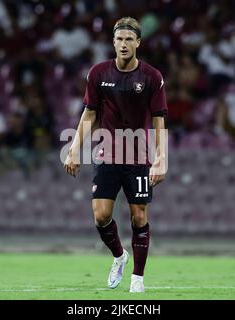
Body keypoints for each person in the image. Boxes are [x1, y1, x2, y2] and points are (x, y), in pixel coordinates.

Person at [64, 17, 168, 293]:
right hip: (107, 152)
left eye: (129, 39)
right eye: (119, 39)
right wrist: (73, 149)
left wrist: (161, 158)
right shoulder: (97, 74)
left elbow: (159, 120)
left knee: (139, 215)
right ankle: (120, 256)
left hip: (138, 154)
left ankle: (138, 279)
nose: (123, 44)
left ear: (138, 43)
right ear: (113, 42)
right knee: (100, 216)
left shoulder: (152, 78)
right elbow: (89, 114)